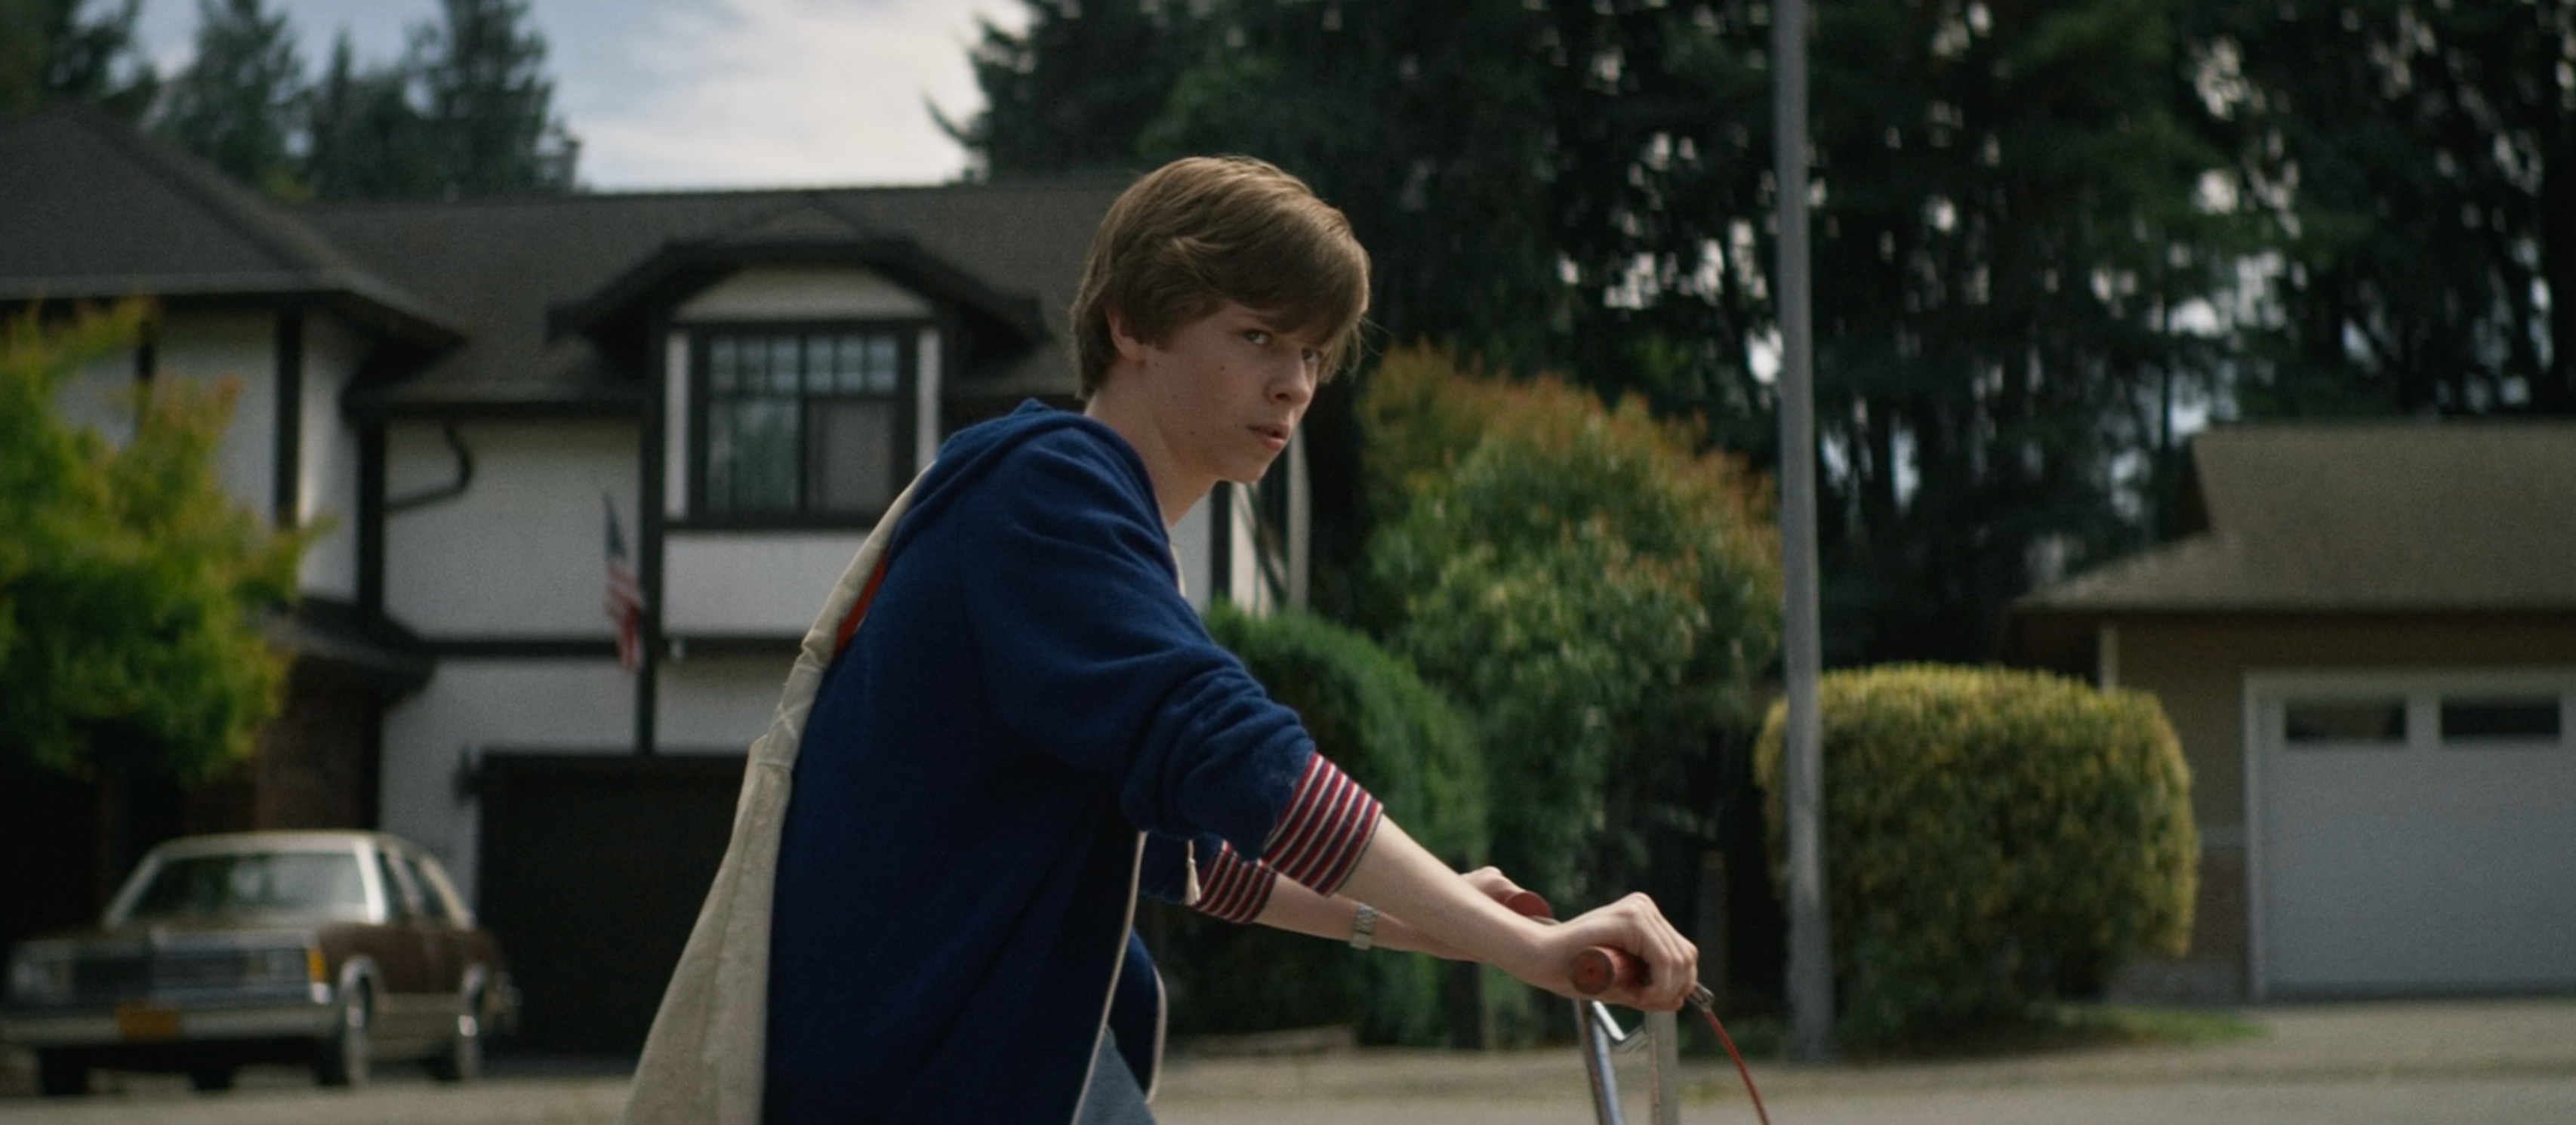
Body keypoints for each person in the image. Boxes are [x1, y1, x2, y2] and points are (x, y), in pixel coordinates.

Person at [760, 155, 1699, 1124]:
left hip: (995, 1063)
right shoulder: (1043, 495)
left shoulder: (1087, 528)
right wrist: (1529, 951)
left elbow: (1191, 855)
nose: (1294, 385)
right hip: (919, 1076)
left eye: (1313, 354)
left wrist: (1441, 919)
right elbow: (1234, 753)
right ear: (1131, 324)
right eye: (1257, 336)